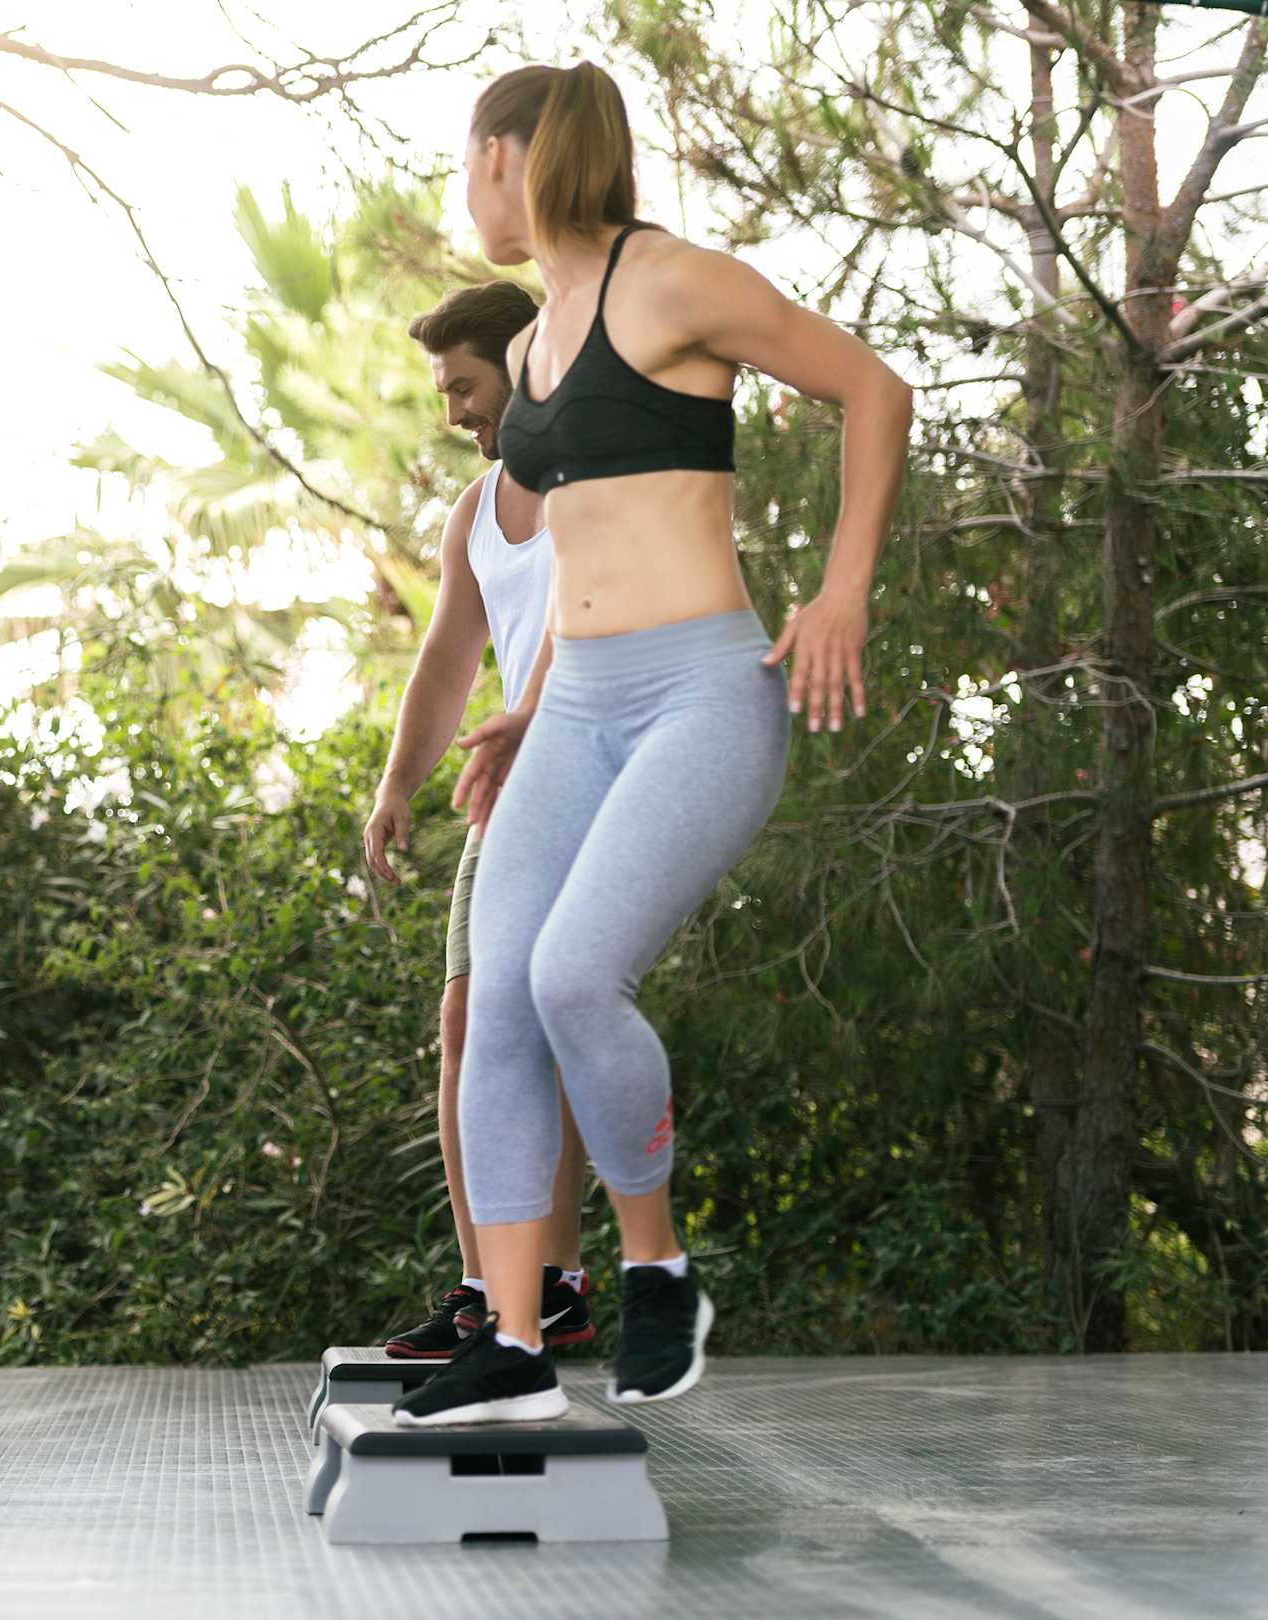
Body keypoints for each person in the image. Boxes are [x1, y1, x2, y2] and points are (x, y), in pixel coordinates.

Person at [394, 62, 911, 1428]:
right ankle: (513, 1341)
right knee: (498, 1001)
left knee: (573, 977)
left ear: (505, 157)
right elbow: (582, 548)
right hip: (576, 708)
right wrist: (525, 707)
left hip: (701, 697)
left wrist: (842, 591)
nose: (464, 190)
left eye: (467, 162)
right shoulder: (535, 343)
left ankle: (655, 1267)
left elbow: (873, 389)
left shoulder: (672, 284)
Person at [363, 281, 595, 1362]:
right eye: (444, 393)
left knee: (536, 1027)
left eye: (463, 386)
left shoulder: (594, 475)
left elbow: (578, 614)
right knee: (464, 1028)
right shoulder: (476, 509)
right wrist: (396, 785)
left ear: (520, 362)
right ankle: (486, 1286)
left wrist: (530, 716)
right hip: (508, 790)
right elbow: (447, 658)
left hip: (588, 777)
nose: (453, 411)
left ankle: (548, 1283)